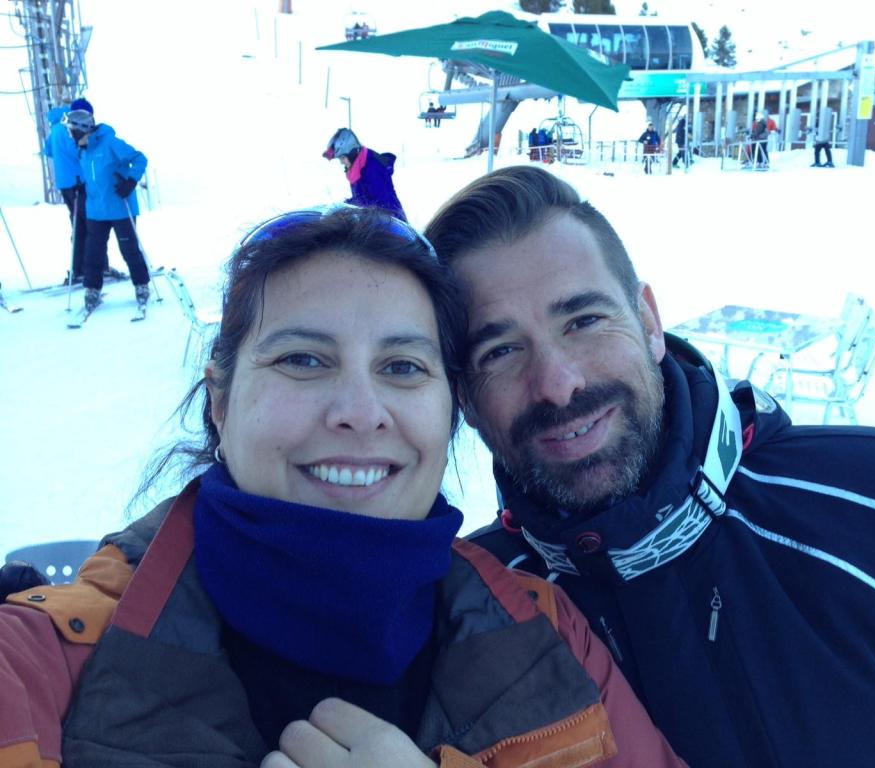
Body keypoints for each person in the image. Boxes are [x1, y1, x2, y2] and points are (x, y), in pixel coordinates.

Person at [0, 205, 685, 767]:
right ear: (221, 401)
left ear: (450, 412)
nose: (360, 410)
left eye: (403, 367)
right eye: (304, 360)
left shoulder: (544, 632)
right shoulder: (41, 662)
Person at [423, 165, 875, 768]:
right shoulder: (465, 614)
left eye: (583, 321)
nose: (557, 384)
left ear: (649, 322)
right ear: (465, 398)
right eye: (500, 351)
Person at [64, 106, 151, 314]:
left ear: (81, 129)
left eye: (71, 130)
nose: (69, 135)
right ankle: (92, 289)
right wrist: (82, 187)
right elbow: (94, 175)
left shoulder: (109, 143)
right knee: (93, 252)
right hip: (96, 209)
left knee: (129, 249)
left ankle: (141, 284)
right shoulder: (82, 149)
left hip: (120, 207)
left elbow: (140, 159)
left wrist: (130, 181)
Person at [42, 98, 113, 285]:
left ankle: (82, 268)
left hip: (65, 183)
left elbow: (47, 151)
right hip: (79, 181)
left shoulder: (55, 128)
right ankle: (91, 268)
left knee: (79, 224)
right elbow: (80, 150)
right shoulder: (70, 127)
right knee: (91, 225)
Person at [322, 127, 407, 221]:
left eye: (342, 158)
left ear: (352, 153)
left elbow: (382, 204)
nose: (341, 162)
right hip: (377, 220)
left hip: (393, 222)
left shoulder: (372, 168)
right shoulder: (358, 167)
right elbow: (363, 198)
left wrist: (348, 205)